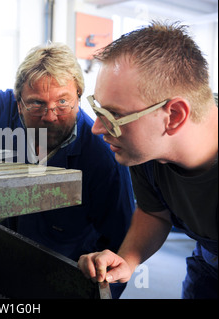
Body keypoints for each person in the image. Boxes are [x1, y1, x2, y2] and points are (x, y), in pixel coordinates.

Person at [0, 42, 135, 298]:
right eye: (36, 104)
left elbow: (120, 249)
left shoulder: (103, 160)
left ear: (79, 97)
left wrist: (99, 285)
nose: (50, 116)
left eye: (63, 102)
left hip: (57, 278)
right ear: (18, 102)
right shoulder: (3, 108)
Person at [78, 21, 218, 299]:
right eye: (98, 110)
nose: (97, 128)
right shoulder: (144, 150)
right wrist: (127, 260)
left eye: (115, 116)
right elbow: (154, 211)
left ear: (174, 116)